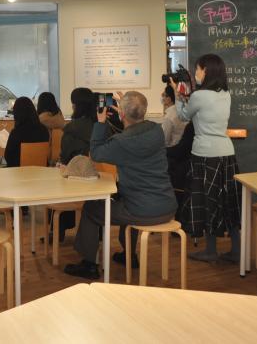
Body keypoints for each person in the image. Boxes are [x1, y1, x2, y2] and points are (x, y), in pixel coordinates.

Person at [64, 91, 177, 279]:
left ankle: (89, 264)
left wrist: (101, 123)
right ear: (144, 111)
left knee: (92, 209)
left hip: (141, 210)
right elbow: (137, 127)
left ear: (122, 114)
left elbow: (96, 153)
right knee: (125, 200)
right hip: (167, 205)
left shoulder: (121, 142)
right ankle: (129, 256)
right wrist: (130, 107)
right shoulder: (157, 131)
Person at [171, 53, 241, 263]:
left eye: (198, 69)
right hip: (226, 153)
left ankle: (211, 250)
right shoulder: (225, 93)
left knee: (206, 201)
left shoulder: (199, 96)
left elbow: (184, 116)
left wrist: (177, 94)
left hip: (205, 155)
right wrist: (188, 98)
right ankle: (236, 250)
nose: (196, 73)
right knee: (228, 202)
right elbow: (199, 110)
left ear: (207, 71)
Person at [51, 88, 96, 243]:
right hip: (97, 185)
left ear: (76, 106)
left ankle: (57, 231)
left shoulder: (71, 130)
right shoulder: (100, 126)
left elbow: (65, 158)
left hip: (73, 184)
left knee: (59, 179)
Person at [4, 97, 50, 167]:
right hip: (40, 170)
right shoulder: (44, 130)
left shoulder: (16, 132)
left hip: (19, 171)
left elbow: (8, 156)